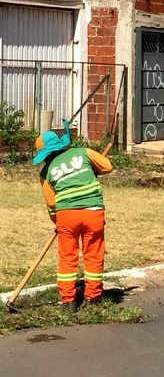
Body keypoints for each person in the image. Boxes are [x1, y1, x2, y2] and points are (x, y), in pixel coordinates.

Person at [34, 122, 113, 312]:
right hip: (93, 211)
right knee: (93, 253)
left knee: (67, 257)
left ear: (45, 154)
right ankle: (92, 297)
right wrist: (92, 170)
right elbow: (107, 167)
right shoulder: (83, 152)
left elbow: (52, 204)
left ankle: (68, 301)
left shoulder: (45, 172)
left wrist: (57, 222)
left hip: (66, 216)